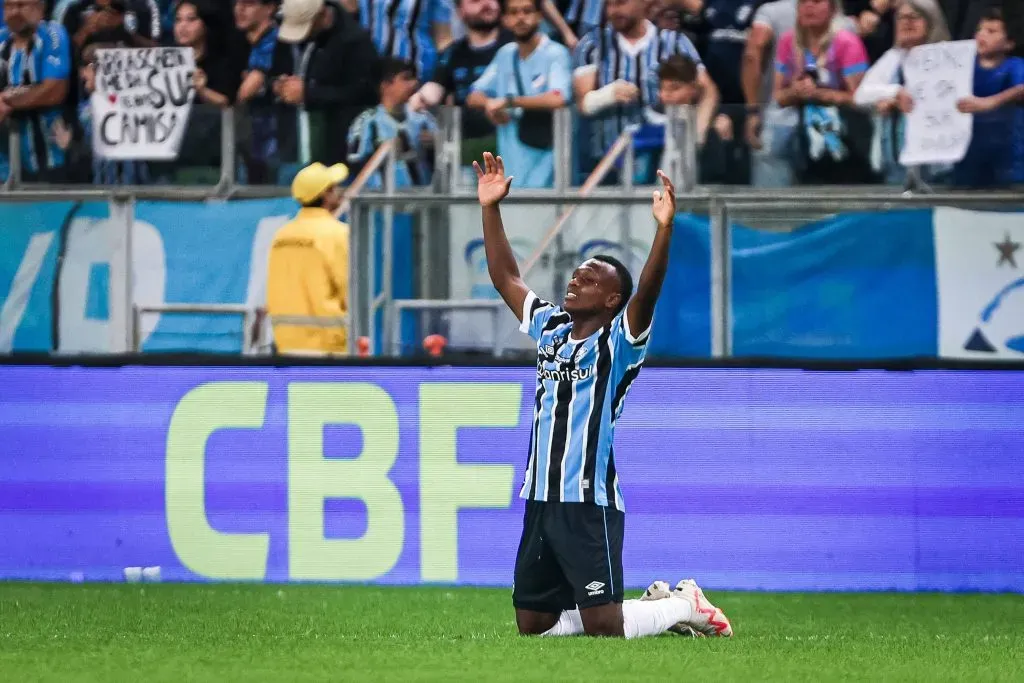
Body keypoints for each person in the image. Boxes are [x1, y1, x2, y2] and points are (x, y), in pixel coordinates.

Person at [473, 151, 733, 639]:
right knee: (534, 627)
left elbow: (647, 294)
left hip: (587, 499)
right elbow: (507, 278)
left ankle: (683, 605)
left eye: (591, 278)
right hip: (540, 497)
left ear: (612, 301)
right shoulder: (550, 327)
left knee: (605, 628)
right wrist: (490, 207)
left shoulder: (618, 343)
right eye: (577, 273)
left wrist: (664, 230)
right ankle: (655, 605)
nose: (576, 279)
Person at [572, 0, 717, 183]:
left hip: (663, 163)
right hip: (605, 163)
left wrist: (698, 135)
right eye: (609, 5)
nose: (614, 11)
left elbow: (708, 91)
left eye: (621, 3)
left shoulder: (673, 42)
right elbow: (583, 103)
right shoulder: (592, 44)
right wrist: (608, 94)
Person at [466, 0, 572, 188]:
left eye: (527, 11)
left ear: (540, 16)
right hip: (510, 167)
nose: (521, 18)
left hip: (549, 166)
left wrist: (509, 102)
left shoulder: (556, 53)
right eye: (514, 13)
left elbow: (558, 98)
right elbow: (473, 95)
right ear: (505, 19)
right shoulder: (505, 54)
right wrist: (490, 104)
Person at [272, 0, 380, 167]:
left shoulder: (355, 42)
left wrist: (308, 93)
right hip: (293, 139)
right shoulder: (293, 38)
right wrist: (279, 85)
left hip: (338, 145)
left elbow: (364, 93)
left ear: (321, 15)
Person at [408, 0, 512, 173]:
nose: (487, 4)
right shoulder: (453, 53)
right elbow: (432, 91)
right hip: (467, 153)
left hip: (511, 148)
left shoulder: (513, 46)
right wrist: (414, 104)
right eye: (475, 0)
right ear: (460, 11)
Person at [853, 0, 950, 186]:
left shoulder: (947, 57)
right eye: (901, 17)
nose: (906, 22)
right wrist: (894, 93)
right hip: (896, 161)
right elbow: (860, 95)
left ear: (931, 22)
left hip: (936, 164)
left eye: (914, 17)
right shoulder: (893, 57)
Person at [266, 161, 351, 355]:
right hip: (329, 344)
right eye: (334, 188)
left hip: (286, 341)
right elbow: (349, 289)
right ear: (325, 194)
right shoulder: (338, 233)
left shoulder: (281, 235)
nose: (338, 192)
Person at [951, 7, 1024, 187]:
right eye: (979, 30)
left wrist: (991, 102)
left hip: (1008, 156)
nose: (981, 35)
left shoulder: (1014, 66)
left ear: (1009, 43)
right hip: (968, 155)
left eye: (991, 31)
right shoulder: (963, 67)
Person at [0, 0, 71, 182]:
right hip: (7, 161)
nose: (14, 12)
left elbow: (55, 90)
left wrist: (9, 102)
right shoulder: (1, 41)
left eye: (22, 5)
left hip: (51, 154)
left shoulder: (53, 34)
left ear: (40, 9)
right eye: (9, 6)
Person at [347, 57, 437, 187]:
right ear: (385, 85)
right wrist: (381, 153)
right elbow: (354, 163)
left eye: (414, 78)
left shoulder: (424, 119)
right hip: (382, 202)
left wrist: (435, 145)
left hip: (422, 200)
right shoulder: (367, 122)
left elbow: (444, 160)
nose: (414, 83)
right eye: (406, 78)